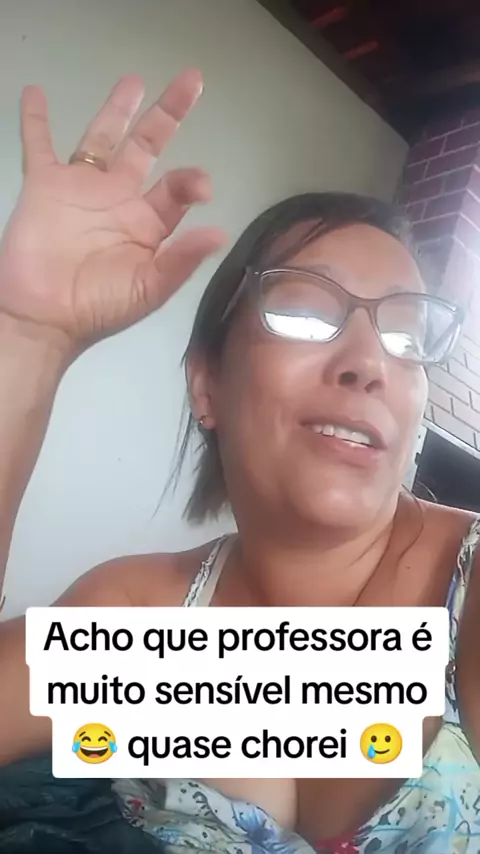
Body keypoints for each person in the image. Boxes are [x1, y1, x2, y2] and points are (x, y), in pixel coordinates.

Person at [0, 67, 479, 854]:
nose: (370, 362)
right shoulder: (141, 614)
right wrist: (28, 338)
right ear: (207, 386)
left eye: (406, 333)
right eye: (306, 311)